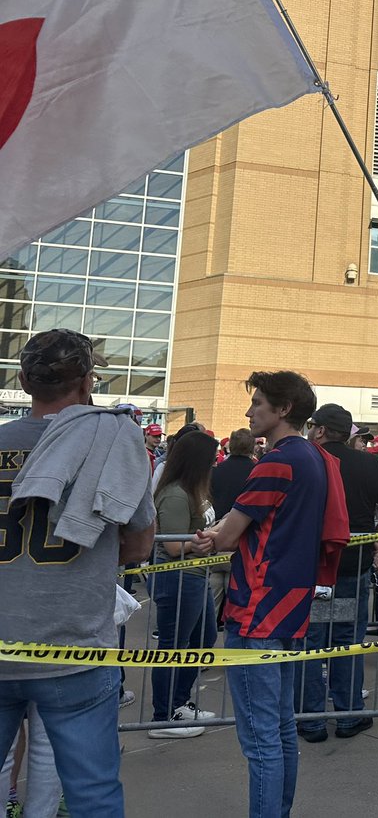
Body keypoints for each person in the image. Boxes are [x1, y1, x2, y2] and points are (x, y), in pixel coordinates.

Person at [0, 329, 156, 817]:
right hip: (76, 645)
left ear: (24, 380)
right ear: (88, 382)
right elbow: (139, 545)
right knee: (93, 793)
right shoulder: (114, 439)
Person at [195, 371, 349, 818]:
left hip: (256, 609)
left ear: (284, 410)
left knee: (263, 740)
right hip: (285, 607)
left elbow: (227, 537)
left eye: (258, 403)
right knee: (280, 733)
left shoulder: (278, 461)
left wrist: (208, 537)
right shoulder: (315, 458)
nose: (249, 411)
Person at [295, 404, 378, 743]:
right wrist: (374, 537)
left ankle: (311, 720)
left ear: (321, 430)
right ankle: (348, 714)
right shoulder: (370, 463)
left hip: (310, 566)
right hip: (352, 564)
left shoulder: (305, 460)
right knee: (347, 640)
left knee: (310, 643)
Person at [147, 432, 221, 739]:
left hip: (194, 576)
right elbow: (175, 547)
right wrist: (206, 539)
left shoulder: (194, 490)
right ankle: (163, 716)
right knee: (173, 646)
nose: (215, 463)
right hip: (177, 576)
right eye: (211, 458)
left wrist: (211, 534)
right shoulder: (176, 494)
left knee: (203, 637)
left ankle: (179, 703)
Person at [209, 428, 257, 626]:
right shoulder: (257, 472)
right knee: (237, 605)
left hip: (214, 536)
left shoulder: (216, 472)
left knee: (212, 594)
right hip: (242, 540)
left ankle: (205, 639)